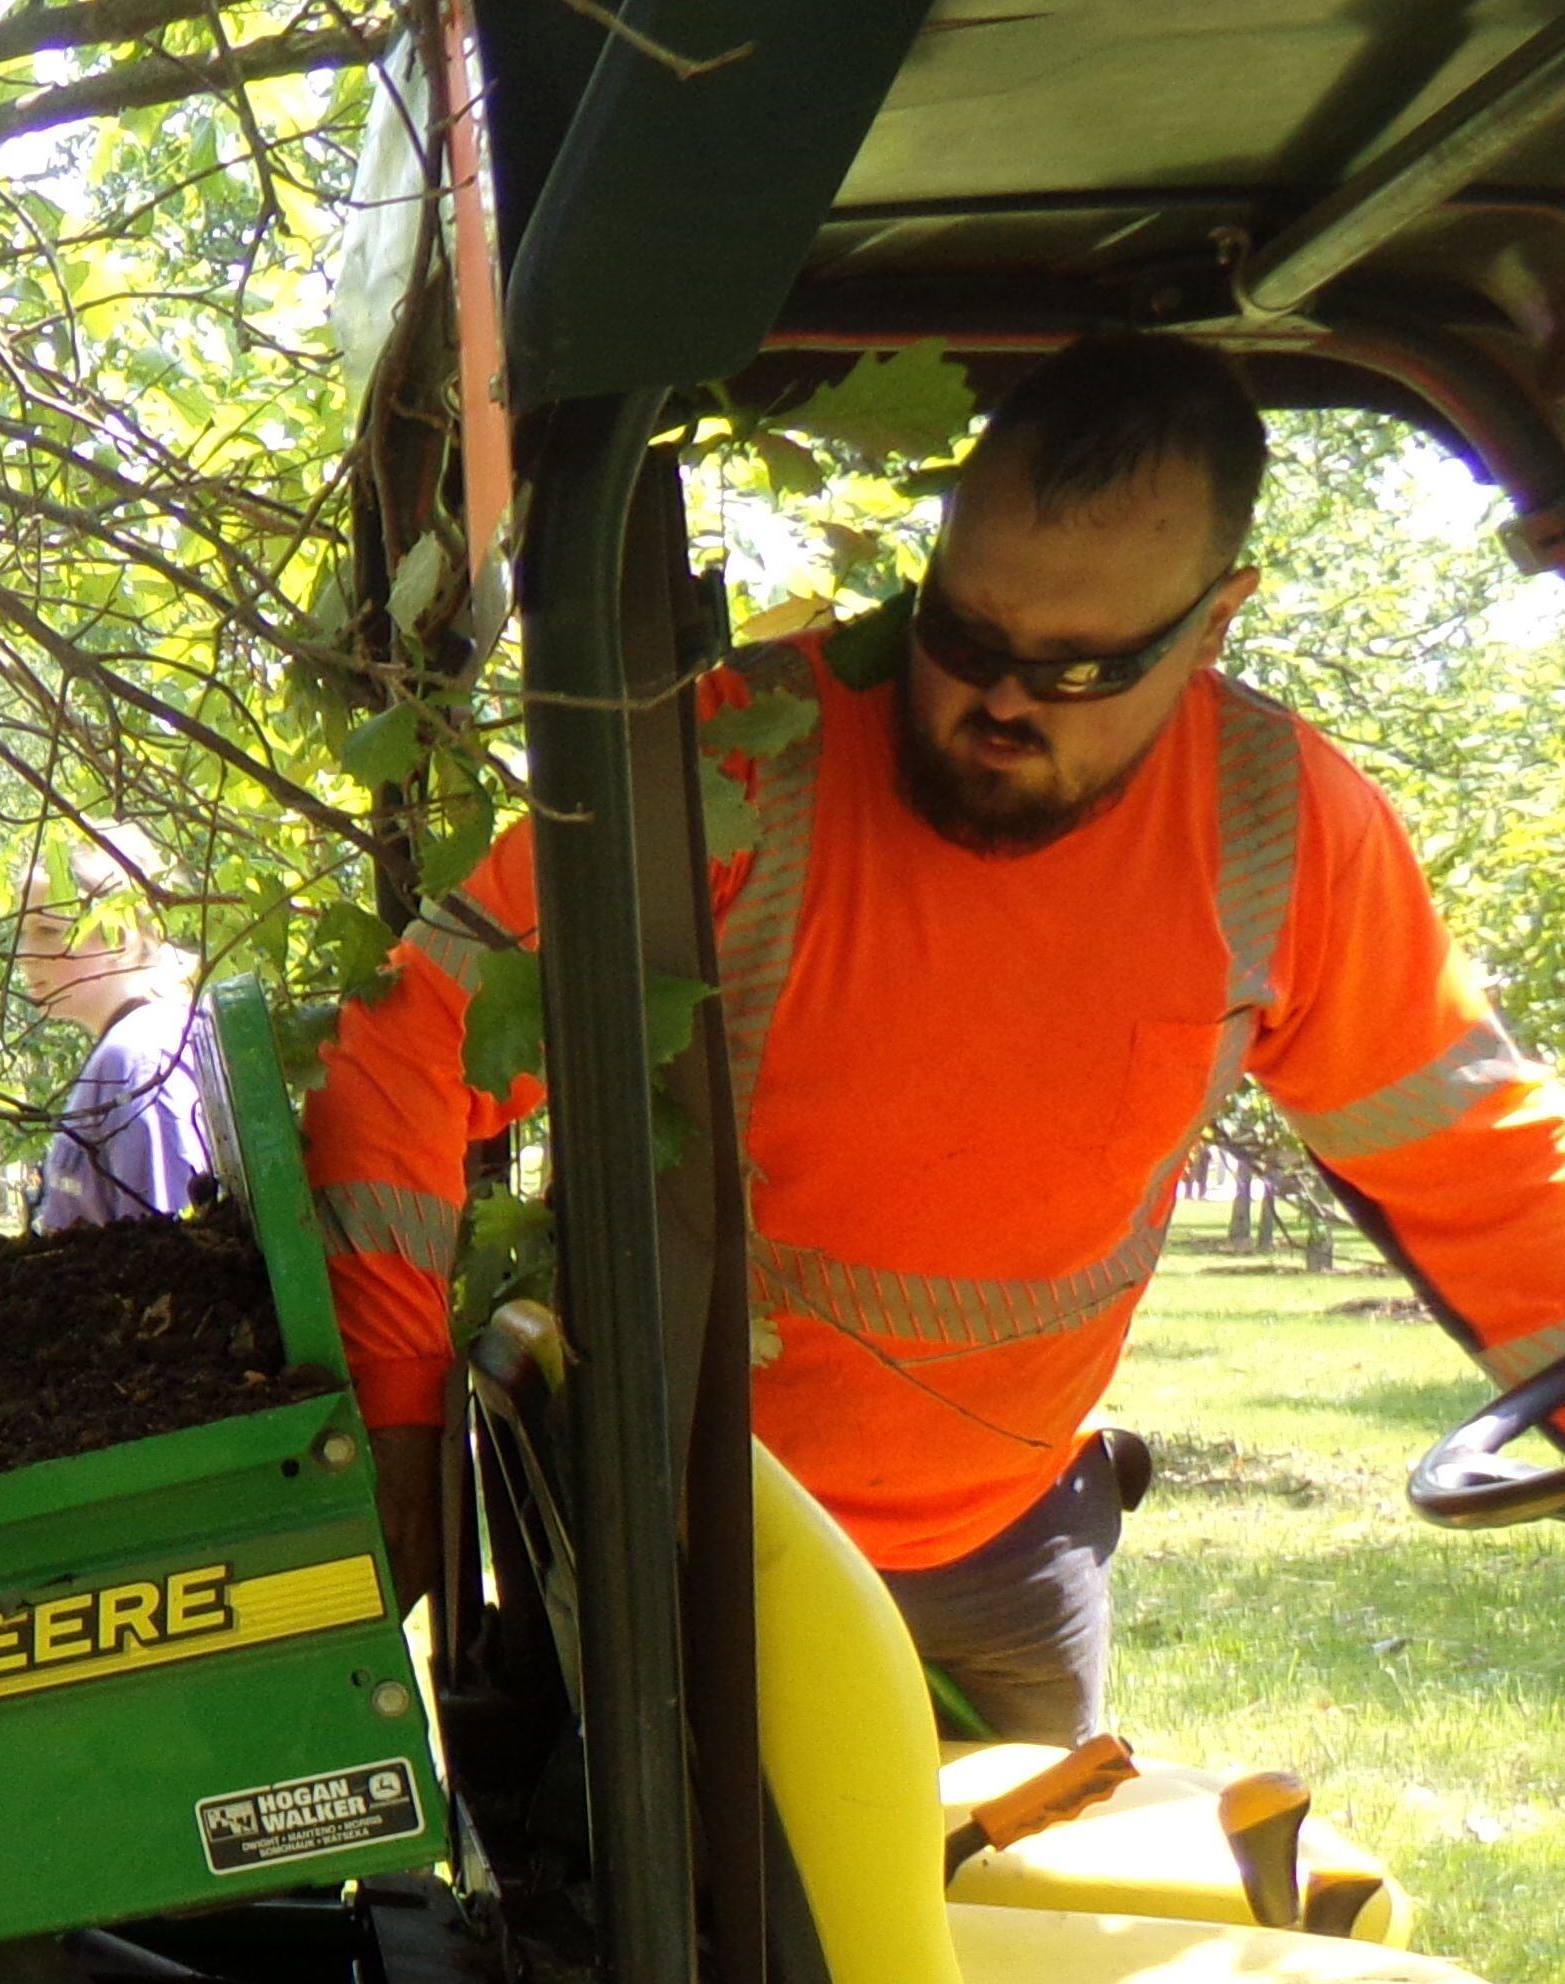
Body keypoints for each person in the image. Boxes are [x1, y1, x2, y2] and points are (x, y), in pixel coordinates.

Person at [308, 333, 1565, 1742]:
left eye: (1080, 670)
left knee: (1030, 1944)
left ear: (1217, 625)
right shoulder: (733, 763)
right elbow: (402, 1057)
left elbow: (1475, 1154)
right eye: (963, 638)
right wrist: (399, 1423)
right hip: (686, 1549)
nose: (1001, 706)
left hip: (1016, 1553)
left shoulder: (1286, 833)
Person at [14, 829, 227, 1230]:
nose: (24, 955)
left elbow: (164, 1253)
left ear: (120, 937)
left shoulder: (139, 1066)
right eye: (23, 933)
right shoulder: (130, 1050)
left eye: (47, 931)